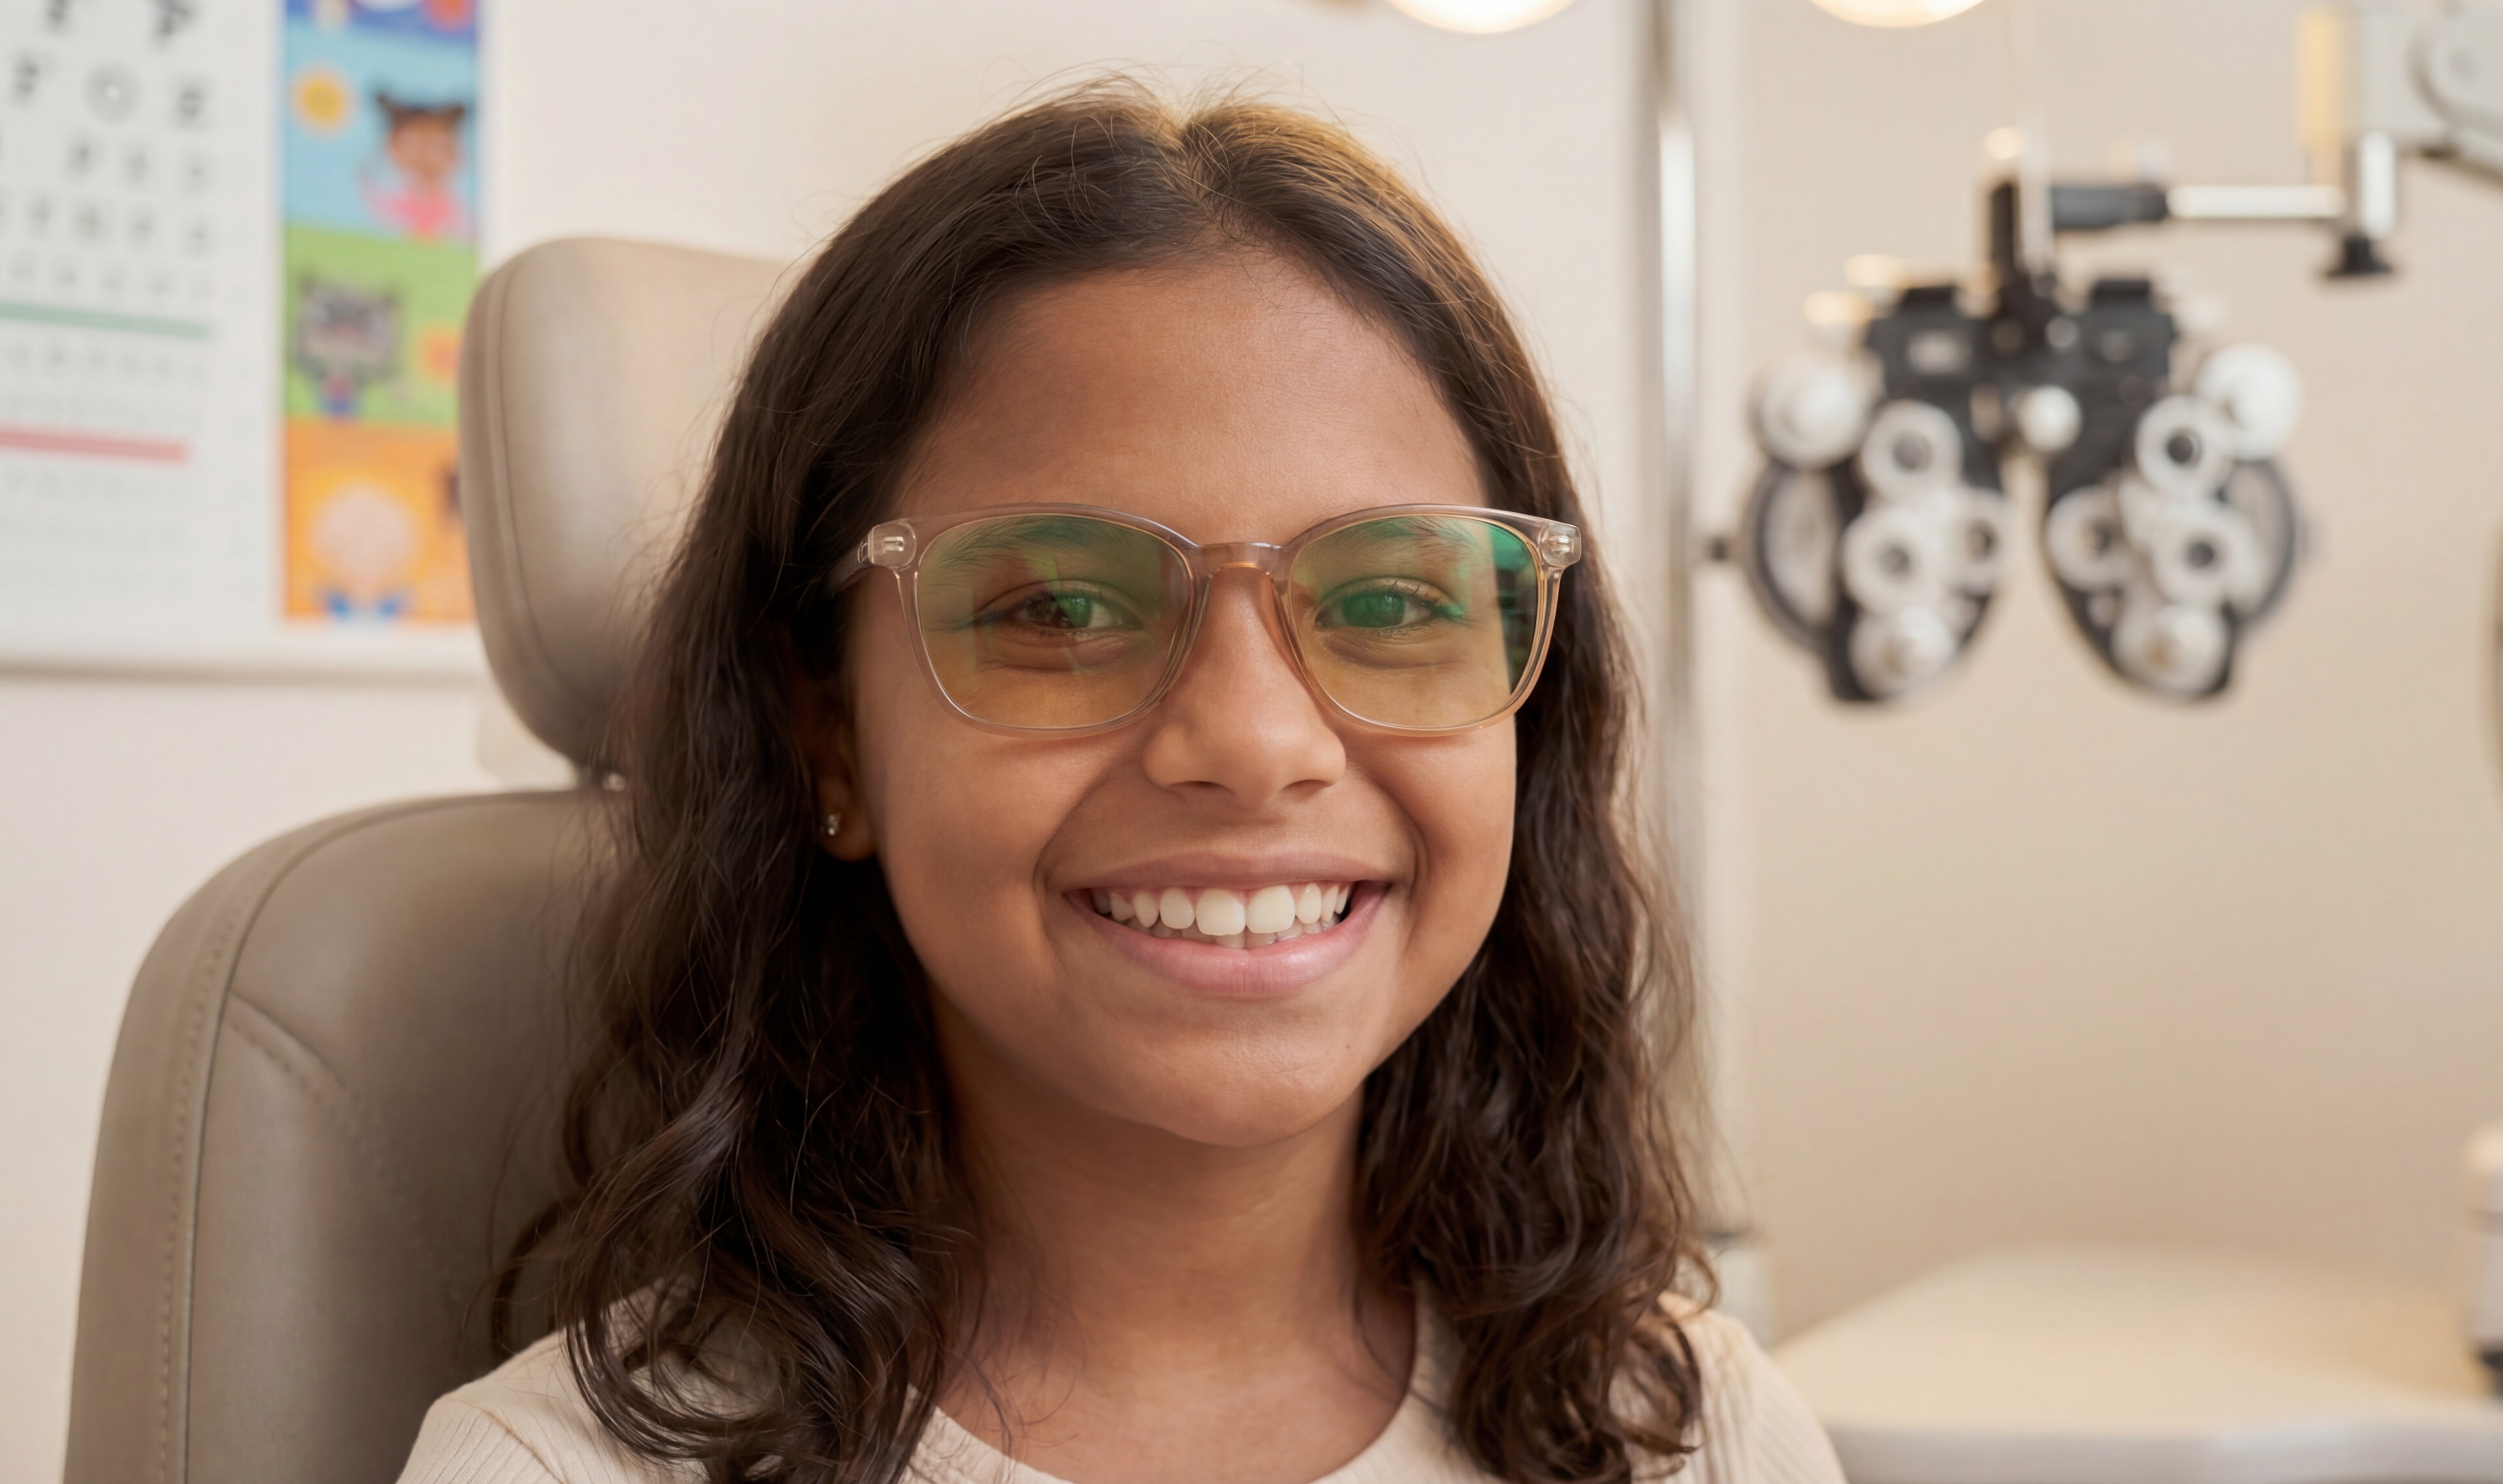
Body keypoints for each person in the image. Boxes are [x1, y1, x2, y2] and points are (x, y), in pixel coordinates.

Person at [398, 83, 1845, 1484]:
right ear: (826, 738)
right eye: (1061, 612)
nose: (1257, 743)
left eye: (1395, 604)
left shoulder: (1693, 1438)